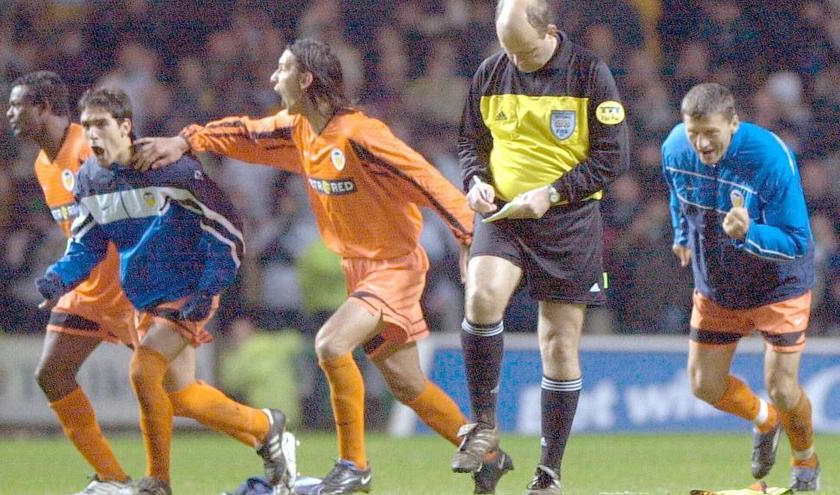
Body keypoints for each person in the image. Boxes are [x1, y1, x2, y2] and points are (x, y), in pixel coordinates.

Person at [133, 38, 512, 495]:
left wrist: (469, 236)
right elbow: (245, 133)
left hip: (395, 266)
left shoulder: (361, 135)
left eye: (282, 69)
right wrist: (186, 140)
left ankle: (354, 465)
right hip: (360, 268)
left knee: (331, 345)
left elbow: (424, 178)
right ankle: (488, 457)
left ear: (306, 78)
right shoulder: (298, 129)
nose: (274, 78)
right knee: (407, 383)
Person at [35, 87, 294, 495]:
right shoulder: (90, 180)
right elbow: (87, 243)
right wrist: (59, 277)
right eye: (86, 127)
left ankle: (157, 482)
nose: (93, 135)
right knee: (182, 396)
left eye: (102, 125)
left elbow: (226, 229)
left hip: (188, 290)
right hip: (145, 296)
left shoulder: (169, 168)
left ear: (125, 126)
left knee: (143, 370)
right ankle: (266, 426)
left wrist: (208, 291)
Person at [455, 1, 630, 494]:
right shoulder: (491, 71)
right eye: (507, 48)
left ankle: (548, 472)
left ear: (550, 32)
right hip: (506, 214)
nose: (517, 60)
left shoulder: (590, 73)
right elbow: (472, 141)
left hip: (569, 220)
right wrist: (475, 180)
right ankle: (484, 425)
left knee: (557, 345)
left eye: (526, 50)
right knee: (482, 298)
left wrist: (554, 193)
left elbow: (612, 156)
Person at [662, 82, 819, 491]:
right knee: (703, 386)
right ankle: (764, 421)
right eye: (693, 132)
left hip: (777, 285)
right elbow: (678, 193)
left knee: (784, 389)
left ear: (733, 123)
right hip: (718, 286)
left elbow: (799, 241)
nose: (701, 143)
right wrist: (681, 235)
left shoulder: (767, 157)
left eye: (710, 133)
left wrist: (749, 234)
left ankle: (805, 463)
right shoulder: (676, 147)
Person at [7, 71, 137, 495]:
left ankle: (264, 431)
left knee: (181, 392)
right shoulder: (42, 165)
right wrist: (64, 278)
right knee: (53, 374)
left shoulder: (88, 144)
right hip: (87, 292)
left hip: (132, 288)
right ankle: (114, 480)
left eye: (17, 106)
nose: (10, 114)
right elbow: (79, 234)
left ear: (43, 107)